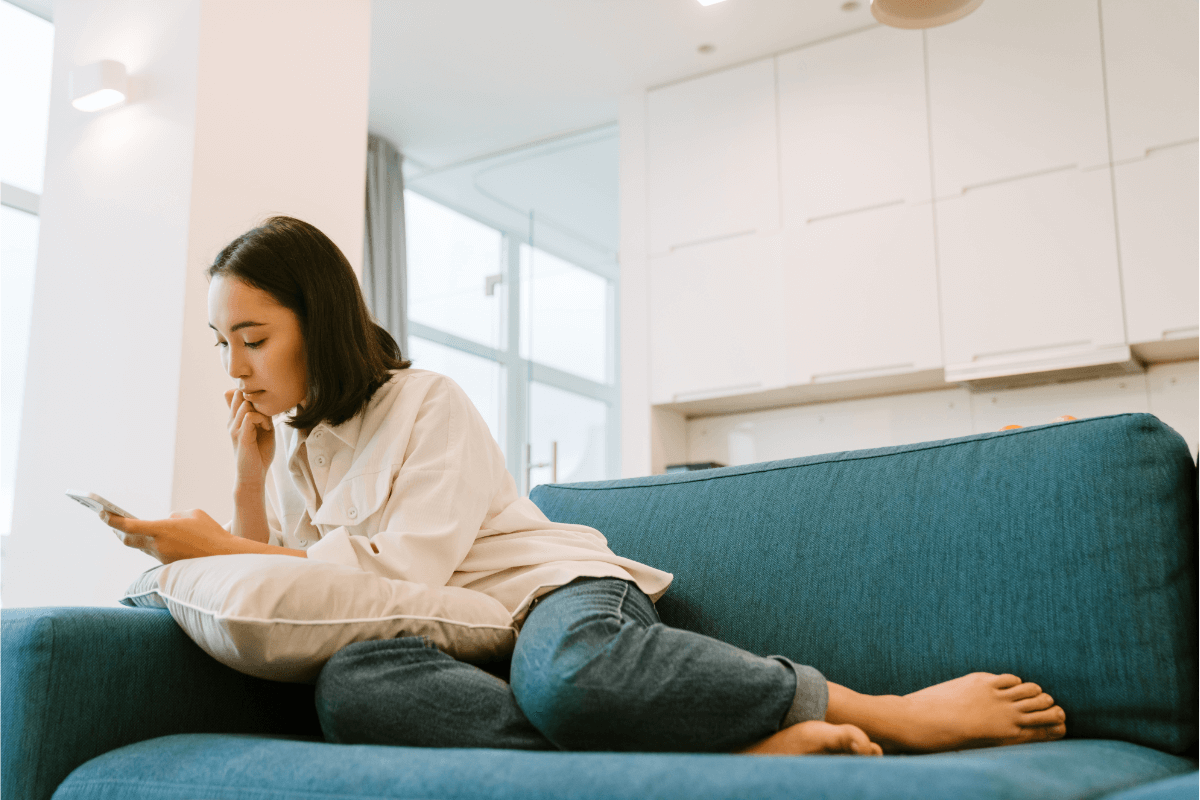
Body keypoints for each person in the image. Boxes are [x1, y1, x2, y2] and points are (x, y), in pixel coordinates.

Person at [105, 216, 1067, 756]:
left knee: (564, 675)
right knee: (354, 694)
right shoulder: (303, 449)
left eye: (252, 338)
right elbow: (294, 583)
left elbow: (399, 575)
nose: (234, 367)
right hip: (456, 646)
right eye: (220, 344)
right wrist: (249, 476)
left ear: (317, 317)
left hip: (548, 603)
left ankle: (883, 712)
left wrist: (220, 549)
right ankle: (728, 753)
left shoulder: (425, 401)